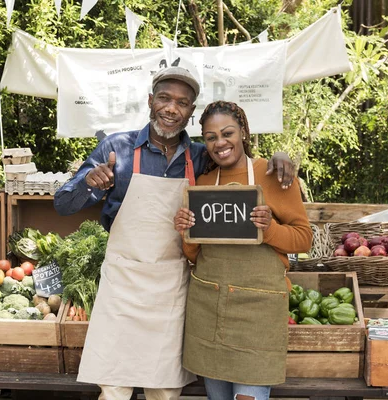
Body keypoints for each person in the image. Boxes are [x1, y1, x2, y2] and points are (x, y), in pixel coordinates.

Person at [54, 67, 295, 400]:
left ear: (190, 112)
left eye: (182, 103)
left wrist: (279, 158)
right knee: (114, 388)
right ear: (151, 101)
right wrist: (88, 183)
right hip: (123, 284)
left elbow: (240, 158)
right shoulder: (116, 148)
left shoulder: (201, 156)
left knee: (164, 390)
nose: (171, 108)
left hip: (172, 287)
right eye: (165, 98)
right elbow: (63, 203)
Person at [174, 101, 312, 400]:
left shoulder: (274, 174)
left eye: (227, 133)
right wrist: (186, 230)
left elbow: (303, 239)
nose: (220, 143)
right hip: (209, 307)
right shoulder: (203, 184)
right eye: (211, 137)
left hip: (257, 313)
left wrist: (270, 230)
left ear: (244, 132)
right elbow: (195, 255)